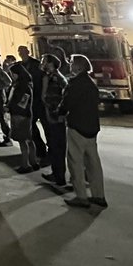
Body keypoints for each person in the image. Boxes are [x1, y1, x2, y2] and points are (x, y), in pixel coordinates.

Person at [57, 53, 107, 208]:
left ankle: (81, 196)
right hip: (92, 127)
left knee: (75, 162)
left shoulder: (74, 84)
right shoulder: (91, 83)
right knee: (93, 162)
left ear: (78, 66)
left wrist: (60, 113)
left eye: (72, 63)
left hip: (77, 126)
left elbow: (67, 103)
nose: (70, 65)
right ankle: (99, 195)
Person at [39, 53, 69, 185]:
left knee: (57, 146)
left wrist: (57, 112)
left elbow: (47, 96)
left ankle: (59, 176)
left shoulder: (55, 77)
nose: (43, 63)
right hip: (53, 115)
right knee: (55, 145)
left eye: (45, 61)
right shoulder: (53, 76)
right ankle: (57, 173)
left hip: (56, 116)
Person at [18, 44, 49, 162]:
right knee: (31, 126)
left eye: (23, 51)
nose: (21, 53)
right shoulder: (21, 66)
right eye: (19, 51)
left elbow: (44, 78)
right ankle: (40, 149)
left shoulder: (36, 64)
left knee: (46, 126)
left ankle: (50, 150)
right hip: (29, 100)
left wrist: (43, 95)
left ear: (28, 52)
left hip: (38, 99)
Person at [7, 61, 39, 172]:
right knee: (29, 139)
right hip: (25, 114)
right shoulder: (25, 84)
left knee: (23, 140)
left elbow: (22, 102)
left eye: (13, 74)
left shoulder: (23, 86)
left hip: (20, 115)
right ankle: (33, 161)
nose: (12, 76)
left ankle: (26, 164)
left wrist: (10, 107)